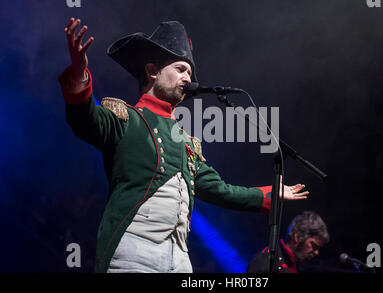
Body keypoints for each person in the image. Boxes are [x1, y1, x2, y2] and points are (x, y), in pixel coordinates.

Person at [59, 18, 310, 273]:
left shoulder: (187, 143)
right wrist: (79, 74)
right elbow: (85, 120)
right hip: (133, 250)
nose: (187, 78)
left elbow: (220, 190)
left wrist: (269, 194)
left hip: (179, 258)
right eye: (180, 69)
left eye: (189, 73)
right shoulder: (126, 119)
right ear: (152, 71)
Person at [247, 211, 329, 273]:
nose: (316, 252)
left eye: (318, 248)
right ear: (297, 237)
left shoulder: (302, 266)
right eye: (314, 246)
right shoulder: (266, 260)